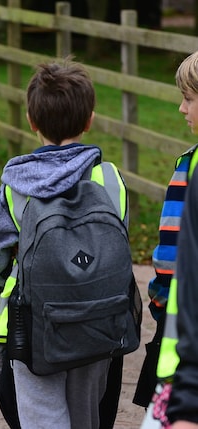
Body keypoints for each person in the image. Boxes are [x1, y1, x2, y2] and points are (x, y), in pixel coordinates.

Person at [0, 59, 130, 429]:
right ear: (89, 120)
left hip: (32, 325)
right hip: (99, 319)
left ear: (32, 122)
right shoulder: (109, 178)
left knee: (40, 414)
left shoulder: (15, 186)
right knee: (87, 413)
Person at [146, 50, 198, 428]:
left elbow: (170, 251)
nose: (182, 109)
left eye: (190, 99)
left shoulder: (189, 166)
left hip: (184, 344)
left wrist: (159, 296)